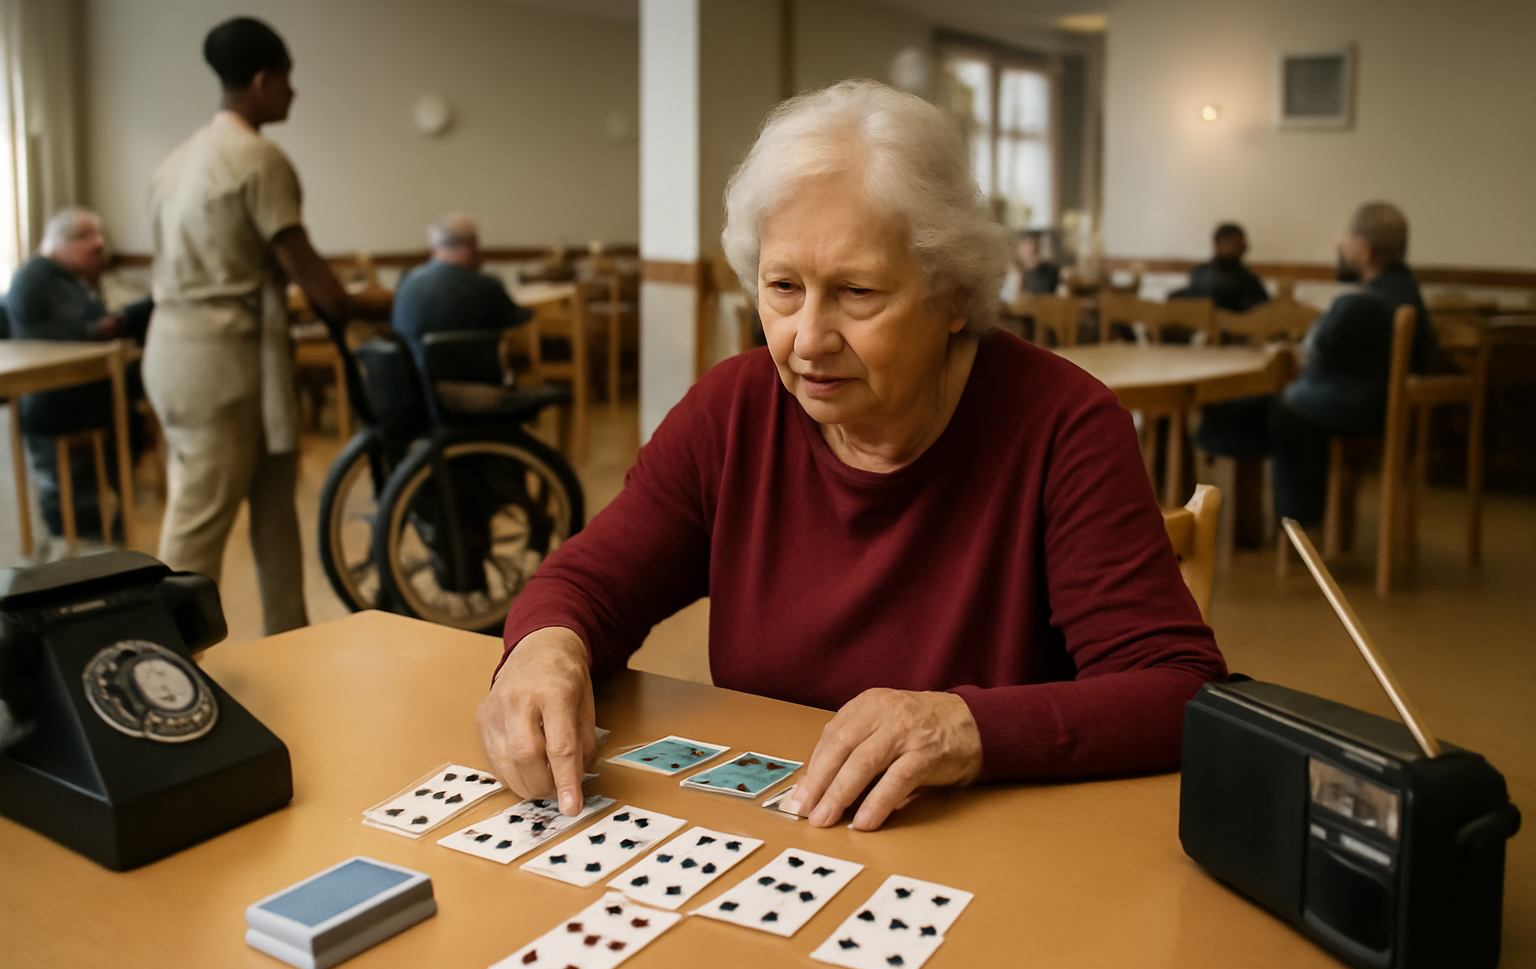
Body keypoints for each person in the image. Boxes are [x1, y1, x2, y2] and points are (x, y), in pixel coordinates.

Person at [476, 80, 1226, 832]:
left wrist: (966, 727)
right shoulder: (733, 410)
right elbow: (590, 581)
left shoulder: (1064, 426)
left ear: (953, 293)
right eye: (782, 287)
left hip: (990, 850)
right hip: (785, 836)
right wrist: (547, 648)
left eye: (857, 291)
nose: (807, 339)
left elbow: (1176, 691)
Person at [144, 17, 389, 634]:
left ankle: (289, 634)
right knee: (198, 521)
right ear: (261, 81)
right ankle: (156, 655)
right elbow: (313, 278)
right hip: (222, 358)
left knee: (274, 509)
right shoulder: (257, 158)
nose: (292, 94)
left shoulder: (175, 162)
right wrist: (376, 303)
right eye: (287, 80)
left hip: (174, 350)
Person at [1194, 202, 1436, 527]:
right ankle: (1268, 521)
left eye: (1346, 240)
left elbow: (1315, 353)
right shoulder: (1408, 292)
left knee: (1268, 407)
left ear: (1364, 251)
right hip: (1381, 407)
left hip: (1360, 409)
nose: (1340, 245)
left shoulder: (1362, 302)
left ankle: (1296, 527)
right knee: (1262, 407)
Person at [4, 207, 153, 540]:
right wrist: (138, 313)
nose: (100, 253)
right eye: (91, 245)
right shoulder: (38, 279)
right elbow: (90, 331)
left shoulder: (67, 280)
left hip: (83, 411)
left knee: (100, 519)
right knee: (79, 521)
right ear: (63, 242)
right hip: (58, 415)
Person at [391, 213, 532, 381]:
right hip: (469, 388)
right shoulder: (483, 286)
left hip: (413, 388)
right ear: (471, 244)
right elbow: (518, 322)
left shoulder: (406, 283)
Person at [1171, 222, 1269, 313]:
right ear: (1217, 245)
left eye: (1242, 243)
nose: (1243, 247)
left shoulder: (1247, 280)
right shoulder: (1199, 272)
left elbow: (1263, 311)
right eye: (1235, 242)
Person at [999, 230, 1060, 304]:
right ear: (1019, 248)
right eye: (1035, 252)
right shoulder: (1008, 273)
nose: (1039, 258)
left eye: (1037, 251)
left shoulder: (1046, 272)